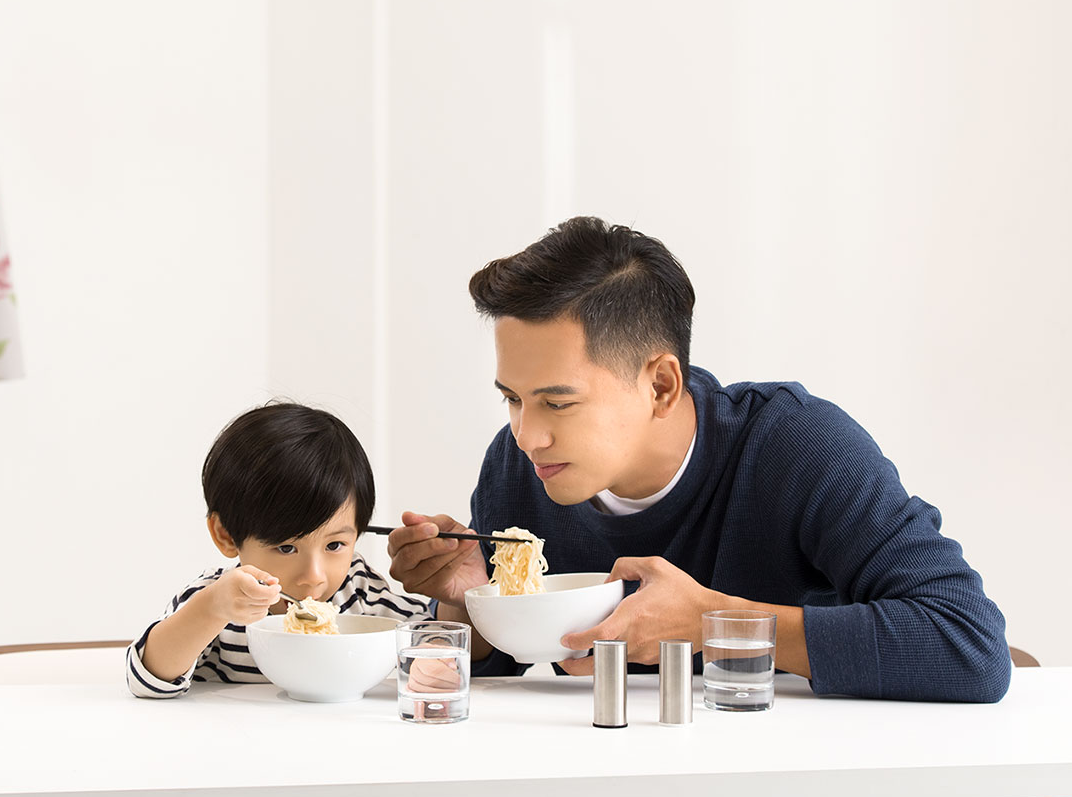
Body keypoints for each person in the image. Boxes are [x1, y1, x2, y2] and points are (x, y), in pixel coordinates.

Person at [388, 215, 1011, 706]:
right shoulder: (517, 468)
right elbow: (514, 682)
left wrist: (717, 622)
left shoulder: (797, 447)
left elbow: (968, 644)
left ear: (660, 384)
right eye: (513, 400)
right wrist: (469, 604)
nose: (528, 436)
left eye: (557, 402)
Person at [105, 401, 433, 797]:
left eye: (336, 545)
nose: (314, 576)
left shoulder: (361, 593)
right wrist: (210, 609)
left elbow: (433, 645)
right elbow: (149, 677)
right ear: (225, 534)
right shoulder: (217, 602)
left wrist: (459, 595)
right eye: (286, 548)